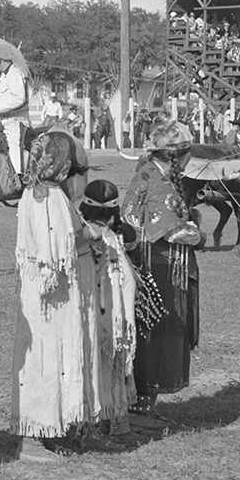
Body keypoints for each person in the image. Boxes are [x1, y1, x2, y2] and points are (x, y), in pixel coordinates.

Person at [10, 129, 95, 463]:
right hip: (48, 295)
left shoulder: (38, 192)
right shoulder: (49, 197)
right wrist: (94, 234)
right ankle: (31, 440)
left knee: (52, 360)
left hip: (45, 293)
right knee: (44, 361)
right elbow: (62, 245)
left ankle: (49, 431)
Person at [120, 125, 203, 424]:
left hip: (159, 267)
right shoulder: (156, 181)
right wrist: (197, 234)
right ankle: (140, 409)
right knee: (155, 334)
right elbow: (170, 231)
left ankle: (145, 407)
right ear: (176, 156)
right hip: (159, 269)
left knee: (158, 334)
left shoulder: (154, 175)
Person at [78, 180, 139, 433]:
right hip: (116, 317)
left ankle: (99, 420)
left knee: (94, 363)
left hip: (96, 316)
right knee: (115, 361)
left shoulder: (83, 235)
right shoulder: (117, 238)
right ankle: (115, 419)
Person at [0, 39, 31, 176]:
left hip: (15, 122)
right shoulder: (3, 77)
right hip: (1, 122)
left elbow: (19, 98)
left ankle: (19, 176)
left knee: (13, 144)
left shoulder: (15, 74)